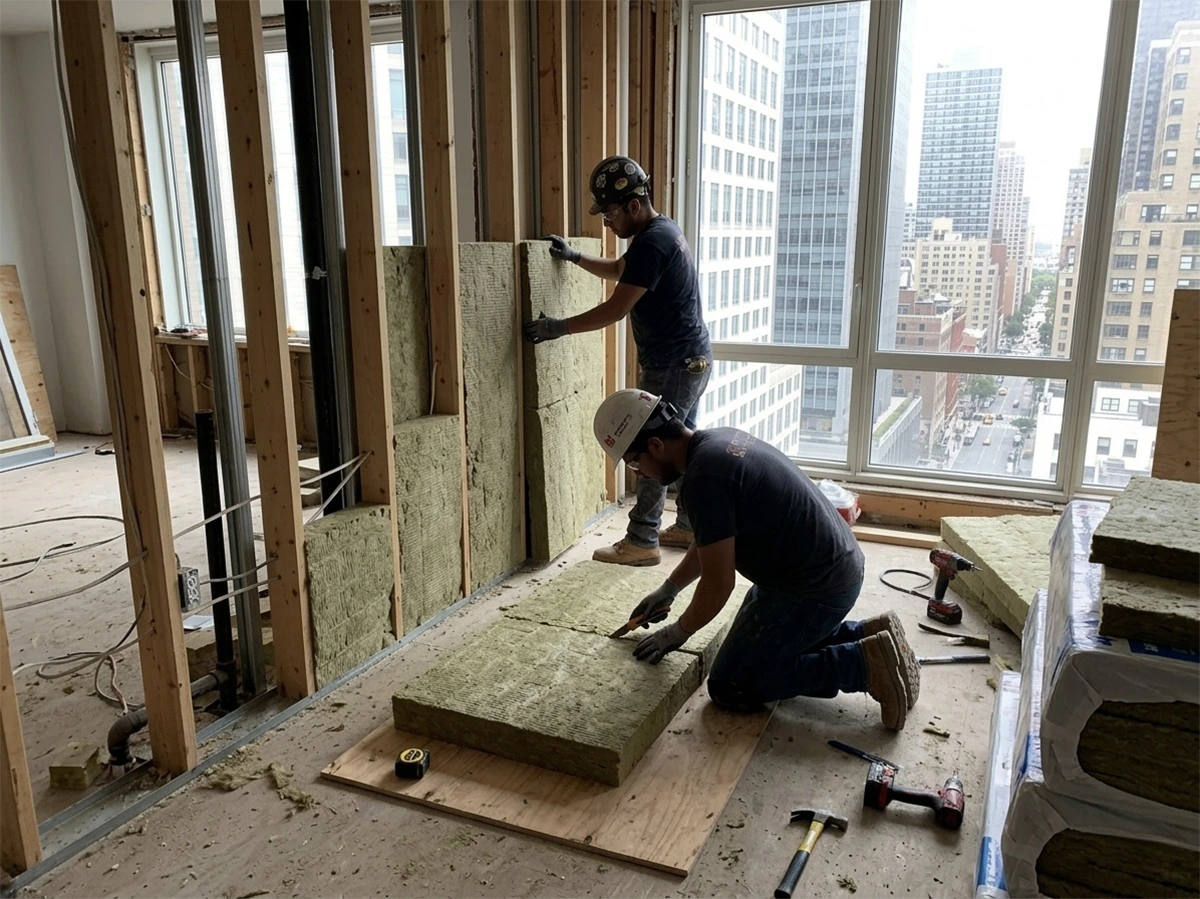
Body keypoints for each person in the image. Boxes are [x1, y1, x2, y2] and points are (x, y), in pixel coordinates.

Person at [591, 389, 920, 730]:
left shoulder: (704, 480)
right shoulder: (715, 443)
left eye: (634, 462)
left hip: (816, 588)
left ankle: (861, 665)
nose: (640, 474)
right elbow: (711, 541)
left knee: (731, 683)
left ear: (656, 445)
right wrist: (670, 588)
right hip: (824, 570)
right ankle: (866, 634)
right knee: (755, 646)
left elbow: (719, 584)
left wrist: (678, 632)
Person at [524, 155, 711, 568]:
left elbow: (615, 309)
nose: (606, 222)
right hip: (689, 360)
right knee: (682, 446)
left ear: (633, 205)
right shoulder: (659, 233)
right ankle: (689, 525)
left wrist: (558, 327)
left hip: (674, 364)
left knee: (652, 449)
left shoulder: (653, 243)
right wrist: (575, 257)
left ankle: (642, 539)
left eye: (609, 213)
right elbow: (620, 270)